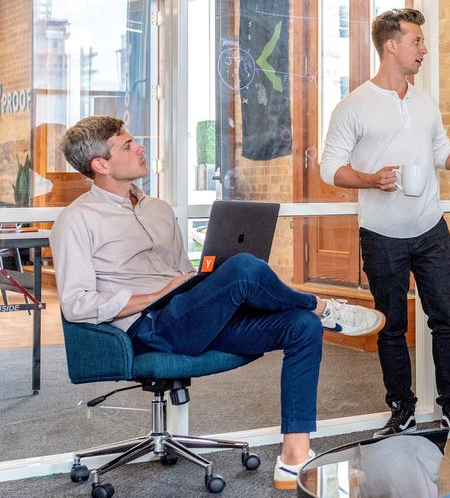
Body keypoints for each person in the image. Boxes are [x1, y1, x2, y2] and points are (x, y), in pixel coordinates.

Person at [50, 116, 385, 491]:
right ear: (101, 164)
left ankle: (294, 458)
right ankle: (320, 307)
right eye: (128, 145)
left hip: (189, 314)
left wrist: (201, 280)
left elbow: (181, 273)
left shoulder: (157, 209)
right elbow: (76, 304)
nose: (140, 147)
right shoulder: (76, 220)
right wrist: (156, 295)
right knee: (244, 269)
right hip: (150, 326)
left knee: (299, 326)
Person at [319, 8, 450, 436]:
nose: (423, 49)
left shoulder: (425, 103)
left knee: (446, 319)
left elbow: (443, 154)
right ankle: (401, 408)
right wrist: (370, 178)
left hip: (430, 230)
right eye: (416, 41)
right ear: (391, 45)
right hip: (382, 235)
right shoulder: (354, 105)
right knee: (391, 323)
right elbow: (329, 168)